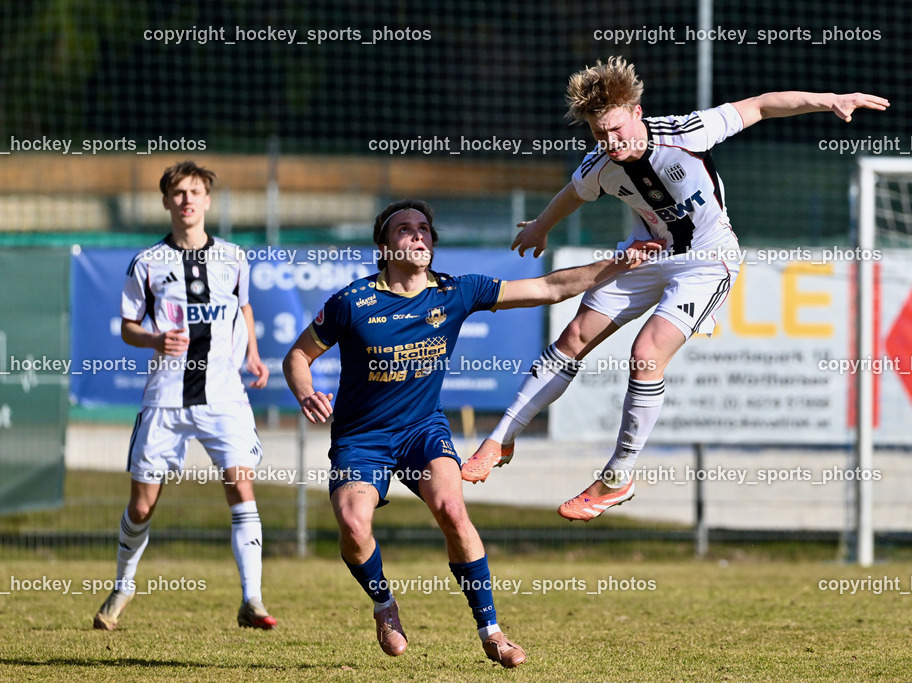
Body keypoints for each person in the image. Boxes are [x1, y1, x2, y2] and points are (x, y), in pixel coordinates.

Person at [461, 56, 890, 521]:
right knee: (572, 339)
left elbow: (763, 105)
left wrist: (830, 100)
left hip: (706, 262)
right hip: (644, 255)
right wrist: (541, 227)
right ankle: (500, 440)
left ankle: (616, 477)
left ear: (638, 111)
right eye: (600, 133)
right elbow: (572, 193)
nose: (612, 141)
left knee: (646, 354)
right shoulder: (600, 165)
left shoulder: (686, 134)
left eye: (618, 128)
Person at [283, 199, 657, 668]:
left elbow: (549, 286)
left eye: (424, 228)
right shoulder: (351, 303)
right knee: (355, 526)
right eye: (404, 229)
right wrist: (304, 391)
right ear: (384, 246)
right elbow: (297, 357)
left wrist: (619, 262)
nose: (418, 235)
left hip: (422, 429)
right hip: (363, 439)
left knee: (452, 509)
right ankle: (384, 605)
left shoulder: (455, 292)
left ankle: (493, 632)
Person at [93, 161, 276, 632]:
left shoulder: (235, 257)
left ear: (208, 201)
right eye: (179, 193)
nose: (187, 200)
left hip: (224, 396)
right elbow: (128, 326)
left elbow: (244, 306)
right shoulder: (147, 264)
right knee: (141, 504)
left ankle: (252, 599)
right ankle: (124, 583)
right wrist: (154, 340)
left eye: (195, 192)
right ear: (166, 202)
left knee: (240, 484)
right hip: (166, 398)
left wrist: (254, 355)